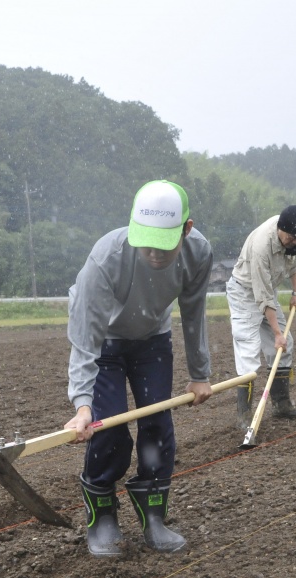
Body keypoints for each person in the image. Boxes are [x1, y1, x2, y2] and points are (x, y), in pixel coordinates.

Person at [65, 180, 213, 557]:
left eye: (163, 243)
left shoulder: (198, 253)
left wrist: (200, 374)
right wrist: (83, 405)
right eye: (145, 240)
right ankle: (102, 517)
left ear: (187, 229)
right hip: (106, 343)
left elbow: (193, 313)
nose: (153, 253)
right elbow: (85, 338)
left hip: (151, 338)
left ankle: (153, 517)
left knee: (157, 423)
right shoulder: (106, 258)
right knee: (109, 425)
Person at [226, 205, 296, 429]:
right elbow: (263, 296)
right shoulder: (261, 246)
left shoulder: (291, 234)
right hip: (244, 292)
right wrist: (276, 333)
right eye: (293, 238)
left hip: (268, 291)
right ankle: (245, 418)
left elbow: (295, 264)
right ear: (281, 230)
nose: (295, 242)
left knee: (286, 345)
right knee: (248, 351)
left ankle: (282, 405)